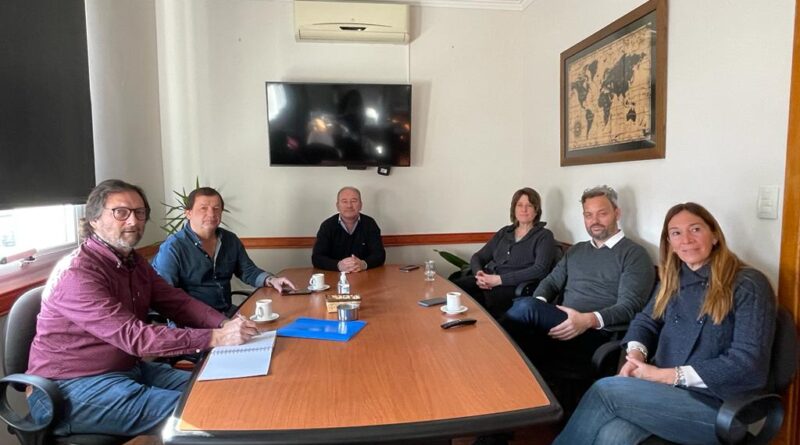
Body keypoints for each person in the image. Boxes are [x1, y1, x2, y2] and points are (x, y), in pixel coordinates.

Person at [26, 179, 259, 437]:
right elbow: (134, 337)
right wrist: (216, 337)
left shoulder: (133, 262)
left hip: (127, 369)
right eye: (121, 212)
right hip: (68, 387)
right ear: (94, 219)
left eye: (139, 213)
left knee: (225, 390)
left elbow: (176, 301)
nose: (133, 221)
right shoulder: (77, 273)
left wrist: (224, 323)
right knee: (208, 408)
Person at [553, 202, 777, 445]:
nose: (686, 240)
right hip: (666, 393)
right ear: (669, 243)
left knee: (605, 390)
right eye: (676, 233)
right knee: (613, 435)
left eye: (695, 229)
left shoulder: (748, 284)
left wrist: (667, 376)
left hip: (719, 406)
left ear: (714, 235)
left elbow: (746, 362)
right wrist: (636, 354)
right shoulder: (674, 279)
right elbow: (645, 321)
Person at [502, 185, 655, 375]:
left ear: (617, 213)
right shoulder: (577, 250)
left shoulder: (634, 254)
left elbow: (629, 307)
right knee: (524, 313)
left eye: (602, 214)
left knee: (524, 309)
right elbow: (550, 283)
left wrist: (587, 320)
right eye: (588, 215)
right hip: (559, 323)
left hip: (594, 333)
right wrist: (539, 304)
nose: (594, 221)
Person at [152, 187, 295, 316]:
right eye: (203, 208)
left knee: (281, 322)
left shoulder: (230, 240)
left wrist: (271, 280)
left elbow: (247, 271)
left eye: (216, 208)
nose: (211, 214)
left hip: (227, 314)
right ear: (188, 213)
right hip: (192, 323)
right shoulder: (172, 248)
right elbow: (166, 296)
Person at [451, 187, 557, 318]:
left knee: (474, 305)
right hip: (487, 279)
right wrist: (479, 274)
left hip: (513, 286)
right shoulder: (505, 232)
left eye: (529, 205)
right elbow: (478, 257)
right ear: (514, 209)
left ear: (536, 210)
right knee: (453, 290)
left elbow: (540, 269)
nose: (524, 210)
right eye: (519, 205)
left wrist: (499, 280)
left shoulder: (544, 236)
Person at [311, 186, 386, 272]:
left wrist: (363, 264)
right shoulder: (327, 226)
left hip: (364, 275)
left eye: (354, 201)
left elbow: (380, 255)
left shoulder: (370, 224)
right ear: (337, 206)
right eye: (344, 201)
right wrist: (338, 265)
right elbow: (317, 257)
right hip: (335, 275)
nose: (349, 205)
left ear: (361, 205)